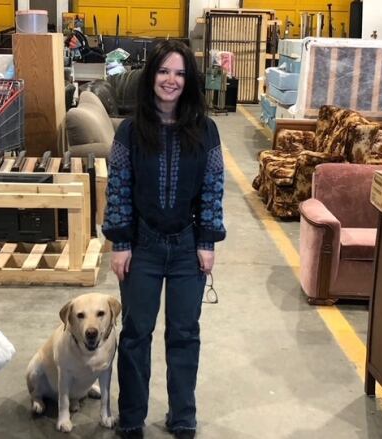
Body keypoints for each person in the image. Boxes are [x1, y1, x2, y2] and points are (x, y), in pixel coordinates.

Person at [102, 39, 226, 439]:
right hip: (142, 246)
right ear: (150, 75)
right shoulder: (130, 130)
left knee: (185, 333)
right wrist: (120, 243)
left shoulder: (206, 130)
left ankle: (183, 414)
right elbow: (118, 188)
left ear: (188, 81)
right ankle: (133, 416)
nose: (170, 80)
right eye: (163, 71)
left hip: (188, 246)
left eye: (179, 73)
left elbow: (213, 187)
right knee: (137, 334)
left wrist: (207, 241)